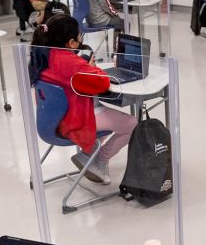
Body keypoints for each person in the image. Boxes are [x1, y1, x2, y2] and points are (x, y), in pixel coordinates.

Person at [28, 14, 136, 185]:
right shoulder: (68, 62)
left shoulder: (42, 54)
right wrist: (91, 67)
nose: (81, 39)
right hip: (74, 120)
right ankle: (99, 160)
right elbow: (102, 83)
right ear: (71, 43)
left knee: (106, 114)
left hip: (51, 121)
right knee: (131, 124)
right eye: (80, 36)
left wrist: (81, 63)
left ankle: (88, 153)